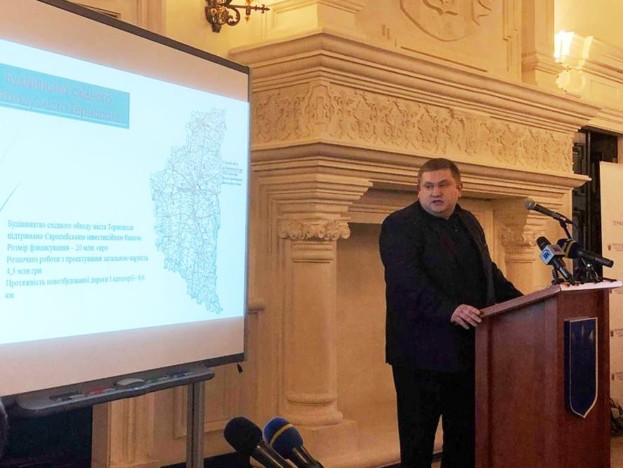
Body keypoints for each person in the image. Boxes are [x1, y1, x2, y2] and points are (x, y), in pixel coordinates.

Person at [379, 158, 522, 467]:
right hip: (420, 356)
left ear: (459, 188)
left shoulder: (469, 221)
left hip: (468, 350)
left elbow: (487, 272)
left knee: (464, 439)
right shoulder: (399, 225)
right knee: (418, 442)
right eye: (428, 186)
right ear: (418, 190)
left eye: (443, 185)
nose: (436, 192)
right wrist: (450, 309)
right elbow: (406, 281)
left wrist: (525, 302)